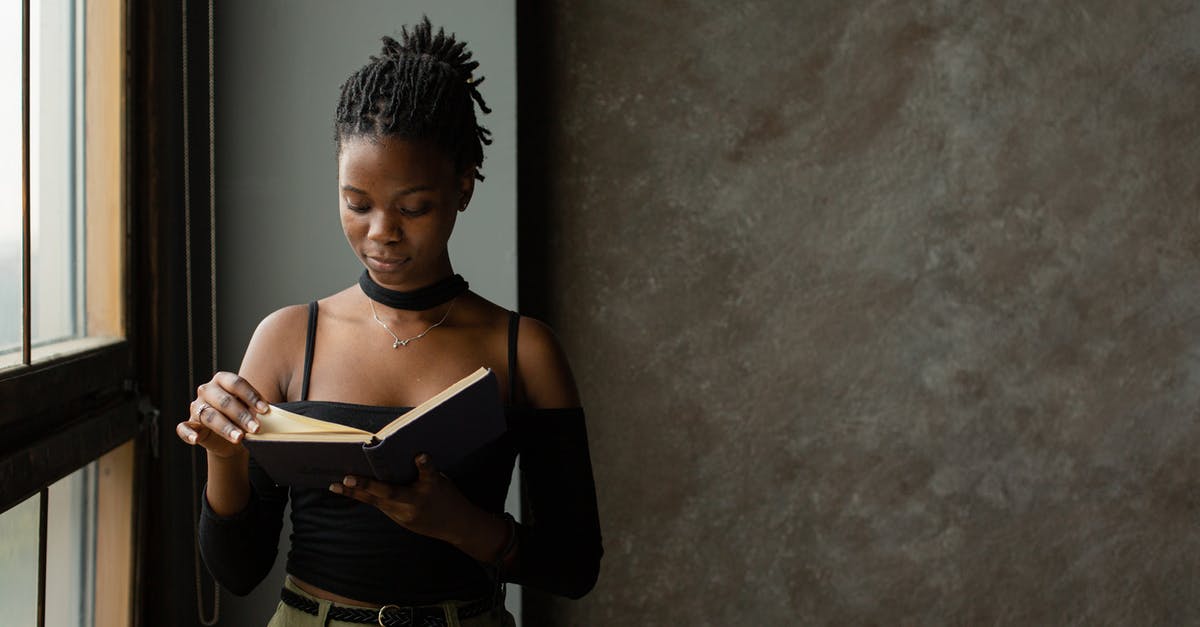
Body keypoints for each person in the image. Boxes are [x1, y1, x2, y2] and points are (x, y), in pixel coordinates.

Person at [175, 18, 602, 627]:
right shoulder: (288, 339)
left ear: (463, 188)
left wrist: (463, 527)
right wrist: (223, 456)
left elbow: (575, 567)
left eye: (414, 207)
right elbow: (238, 571)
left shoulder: (523, 350)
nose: (381, 232)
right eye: (357, 203)